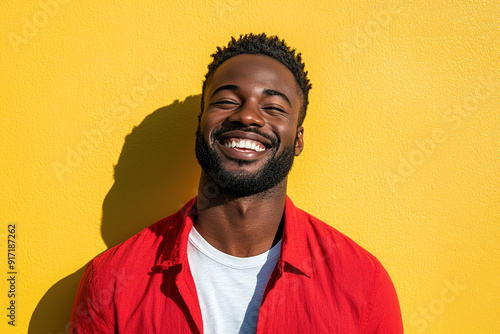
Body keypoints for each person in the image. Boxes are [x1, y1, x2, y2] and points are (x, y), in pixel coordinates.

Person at [70, 33, 403, 333]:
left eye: (273, 107)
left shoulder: (362, 284)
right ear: (201, 125)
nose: (247, 116)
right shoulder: (112, 281)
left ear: (298, 139)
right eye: (227, 101)